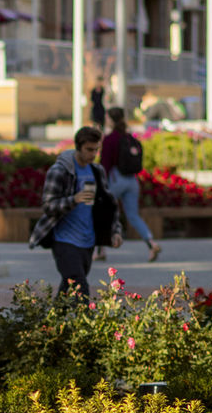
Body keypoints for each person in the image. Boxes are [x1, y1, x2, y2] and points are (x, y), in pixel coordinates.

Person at [29, 126, 124, 297]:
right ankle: (88, 323)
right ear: (78, 147)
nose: (93, 154)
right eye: (89, 149)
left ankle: (53, 321)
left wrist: (115, 231)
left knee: (69, 287)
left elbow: (109, 204)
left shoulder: (97, 171)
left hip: (88, 241)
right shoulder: (60, 171)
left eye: (96, 150)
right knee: (80, 285)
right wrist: (74, 199)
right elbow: (48, 206)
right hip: (64, 240)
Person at [97, 110, 162, 262]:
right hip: (132, 181)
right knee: (133, 215)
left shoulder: (110, 139)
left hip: (115, 179)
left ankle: (100, 250)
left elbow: (105, 164)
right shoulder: (129, 138)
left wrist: (101, 183)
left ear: (110, 120)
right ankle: (151, 243)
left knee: (102, 213)